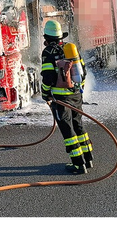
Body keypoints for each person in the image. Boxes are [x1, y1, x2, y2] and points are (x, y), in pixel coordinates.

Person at [40, 20, 93, 175]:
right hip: (76, 95)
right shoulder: (71, 48)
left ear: (47, 37)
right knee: (78, 126)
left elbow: (48, 76)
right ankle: (88, 159)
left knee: (67, 130)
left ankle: (78, 164)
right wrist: (80, 88)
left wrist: (45, 93)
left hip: (61, 99)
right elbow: (83, 69)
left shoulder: (48, 52)